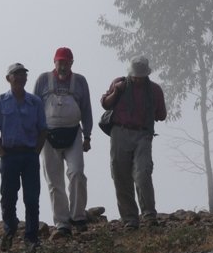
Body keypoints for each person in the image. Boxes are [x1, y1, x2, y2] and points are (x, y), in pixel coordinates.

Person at [33, 47, 93, 239]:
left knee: (77, 173)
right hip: (47, 136)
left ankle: (78, 216)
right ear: (54, 62)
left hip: (74, 133)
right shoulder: (43, 80)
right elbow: (34, 106)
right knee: (54, 181)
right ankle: (61, 223)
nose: (63, 66)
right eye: (60, 62)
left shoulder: (80, 81)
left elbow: (86, 109)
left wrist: (88, 136)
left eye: (67, 62)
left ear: (72, 63)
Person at [100, 56, 167, 229]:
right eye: (135, 75)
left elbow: (162, 115)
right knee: (120, 175)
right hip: (119, 132)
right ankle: (130, 219)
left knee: (143, 172)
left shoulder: (154, 90)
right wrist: (116, 91)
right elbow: (105, 104)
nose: (137, 78)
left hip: (142, 134)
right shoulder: (119, 84)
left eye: (140, 75)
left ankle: (149, 215)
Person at [0, 63, 47, 252]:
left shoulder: (35, 102)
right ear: (8, 78)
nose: (20, 78)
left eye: (23, 74)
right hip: (9, 155)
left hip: (29, 155)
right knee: (8, 197)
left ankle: (31, 237)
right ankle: (9, 230)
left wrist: (35, 152)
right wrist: (2, 153)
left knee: (31, 198)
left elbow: (43, 130)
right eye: (16, 75)